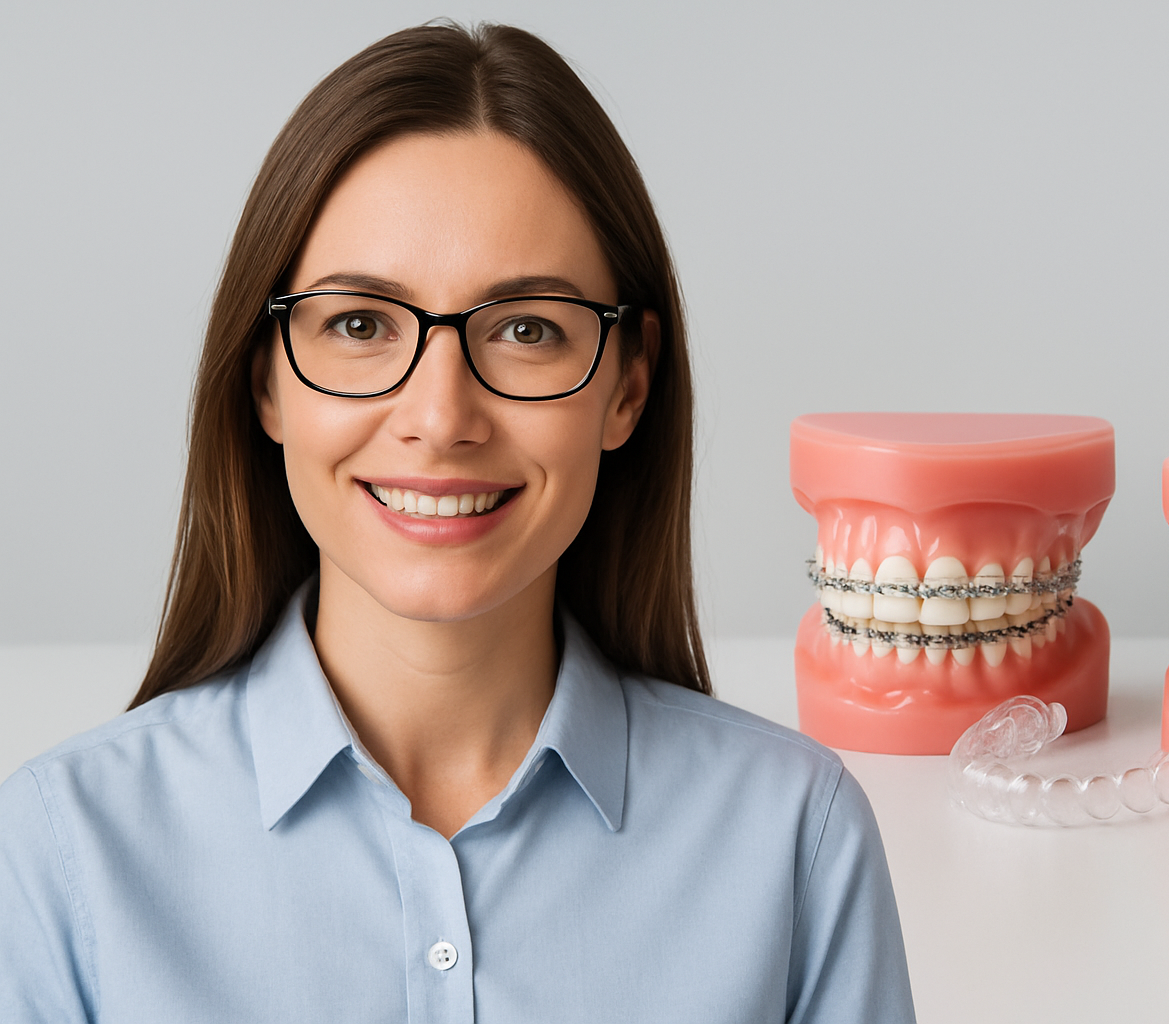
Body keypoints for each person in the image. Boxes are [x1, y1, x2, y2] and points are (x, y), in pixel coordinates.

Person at [0, 22, 915, 1022]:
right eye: (359, 325)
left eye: (526, 330)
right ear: (265, 377)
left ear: (628, 385)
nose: (439, 418)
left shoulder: (794, 838)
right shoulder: (61, 850)